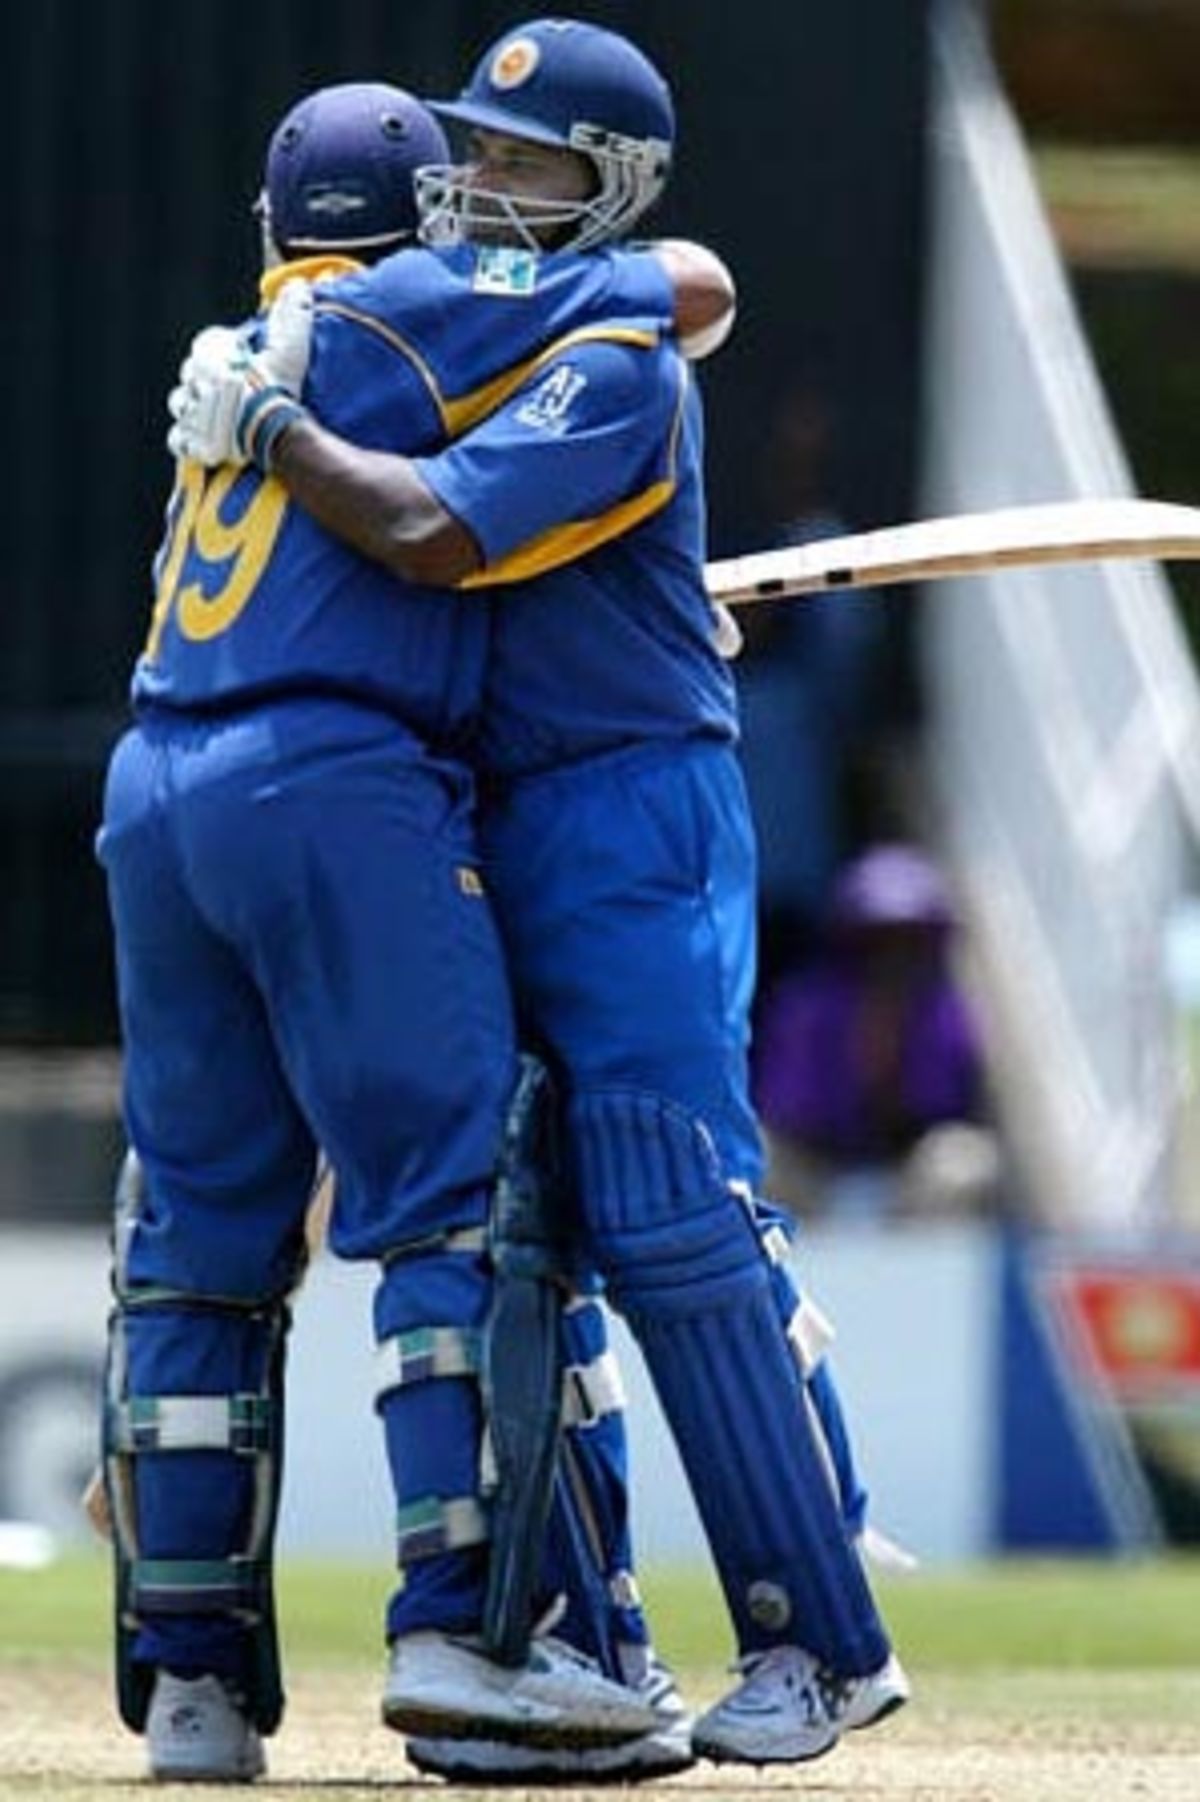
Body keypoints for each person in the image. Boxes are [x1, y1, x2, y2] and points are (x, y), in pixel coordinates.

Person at [171, 18, 910, 1771]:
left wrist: (270, 419)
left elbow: (432, 531)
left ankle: (823, 1639)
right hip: (485, 805)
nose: (494, 191)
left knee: (671, 1205)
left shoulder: (618, 356)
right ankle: (571, 1643)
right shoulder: (481, 318)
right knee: (511, 1225)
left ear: (618, 192)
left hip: (629, 808)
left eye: (538, 168)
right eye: (477, 158)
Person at [97, 75, 733, 1785]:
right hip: (338, 783)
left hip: (159, 784)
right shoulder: (433, 309)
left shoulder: (252, 335)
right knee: (468, 1202)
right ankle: (476, 1631)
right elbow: (686, 283)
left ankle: (193, 1693)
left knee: (197, 1247)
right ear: (434, 211)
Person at [754, 841, 999, 1222]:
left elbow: (943, 1116)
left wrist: (894, 1067)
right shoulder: (806, 1007)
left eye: (909, 938)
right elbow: (788, 1121)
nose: (895, 953)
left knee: (965, 1158)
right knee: (762, 1152)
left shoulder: (945, 1013)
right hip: (820, 1186)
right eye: (881, 937)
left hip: (905, 1191)